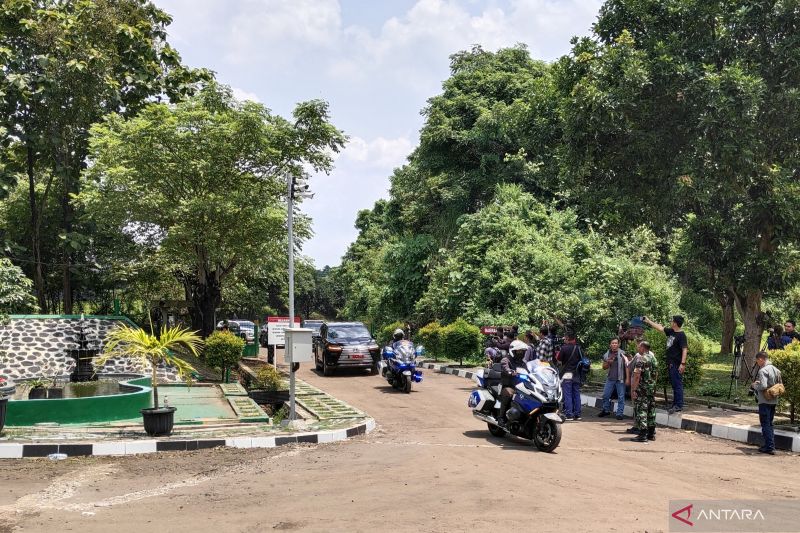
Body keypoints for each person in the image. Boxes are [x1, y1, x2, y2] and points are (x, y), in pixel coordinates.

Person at [644, 315, 688, 414]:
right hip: (671, 363)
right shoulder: (671, 332)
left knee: (677, 384)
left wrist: (683, 363)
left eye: (672, 321)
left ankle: (678, 405)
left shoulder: (681, 335)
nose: (670, 322)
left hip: (676, 364)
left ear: (675, 323)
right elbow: (660, 328)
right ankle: (675, 404)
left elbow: (684, 349)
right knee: (674, 384)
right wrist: (648, 321)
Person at [752, 351, 781, 455]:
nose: (757, 363)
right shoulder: (776, 370)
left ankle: (769, 447)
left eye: (757, 361)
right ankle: (770, 445)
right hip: (774, 400)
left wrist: (754, 386)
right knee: (770, 423)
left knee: (765, 424)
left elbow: (763, 386)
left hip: (764, 401)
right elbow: (779, 385)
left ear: (761, 359)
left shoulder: (763, 371)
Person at [497, 340, 530, 425]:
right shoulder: (506, 360)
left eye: (523, 351)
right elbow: (505, 368)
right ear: (513, 351)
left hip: (521, 387)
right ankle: (501, 418)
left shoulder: (523, 363)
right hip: (508, 385)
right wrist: (510, 372)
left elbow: (529, 372)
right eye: (519, 351)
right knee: (508, 394)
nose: (521, 353)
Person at [630, 340, 658, 442]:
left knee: (641, 410)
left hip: (642, 389)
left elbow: (637, 376)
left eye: (639, 347)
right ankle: (651, 433)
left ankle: (642, 435)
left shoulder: (641, 360)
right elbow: (656, 375)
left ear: (643, 348)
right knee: (651, 410)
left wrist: (634, 390)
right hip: (651, 389)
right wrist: (653, 387)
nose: (638, 349)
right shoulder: (654, 359)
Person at [598, 338, 629, 420]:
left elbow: (627, 366)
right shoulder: (607, 354)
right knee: (605, 395)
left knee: (621, 397)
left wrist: (628, 378)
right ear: (610, 344)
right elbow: (604, 367)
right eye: (613, 343)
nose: (614, 344)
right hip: (610, 378)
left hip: (621, 379)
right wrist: (608, 362)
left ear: (618, 344)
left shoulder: (623, 353)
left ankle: (619, 413)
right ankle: (606, 410)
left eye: (616, 343)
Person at [556, 332, 584, 421]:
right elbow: (582, 359)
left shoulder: (564, 348)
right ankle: (578, 414)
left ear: (568, 338)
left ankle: (569, 414)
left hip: (567, 374)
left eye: (565, 338)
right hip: (576, 373)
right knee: (576, 393)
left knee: (567, 394)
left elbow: (559, 359)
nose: (564, 340)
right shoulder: (578, 348)